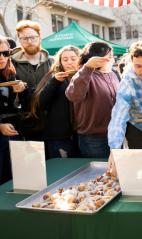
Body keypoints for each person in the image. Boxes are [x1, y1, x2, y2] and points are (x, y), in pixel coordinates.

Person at [65, 42, 119, 158]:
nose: (112, 60)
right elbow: (74, 96)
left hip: (116, 134)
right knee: (99, 174)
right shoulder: (84, 74)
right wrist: (88, 67)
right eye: (108, 57)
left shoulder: (112, 74)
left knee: (117, 173)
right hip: (94, 138)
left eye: (112, 56)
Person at [28, 46, 81, 159]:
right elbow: (41, 105)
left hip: (84, 134)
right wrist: (54, 82)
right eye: (65, 60)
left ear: (80, 60)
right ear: (60, 62)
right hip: (60, 136)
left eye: (73, 58)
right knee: (63, 172)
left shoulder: (87, 76)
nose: (69, 62)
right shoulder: (53, 77)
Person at [11, 20, 52, 142]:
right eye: (24, 39)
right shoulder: (11, 65)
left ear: (40, 38)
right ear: (19, 41)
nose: (29, 42)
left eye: (33, 38)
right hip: (22, 128)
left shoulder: (53, 63)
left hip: (52, 126)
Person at [0, 37, 31, 185]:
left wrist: (24, 91)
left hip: (14, 133)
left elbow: (26, 105)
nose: (2, 58)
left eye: (5, 53)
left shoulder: (12, 73)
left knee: (13, 182)